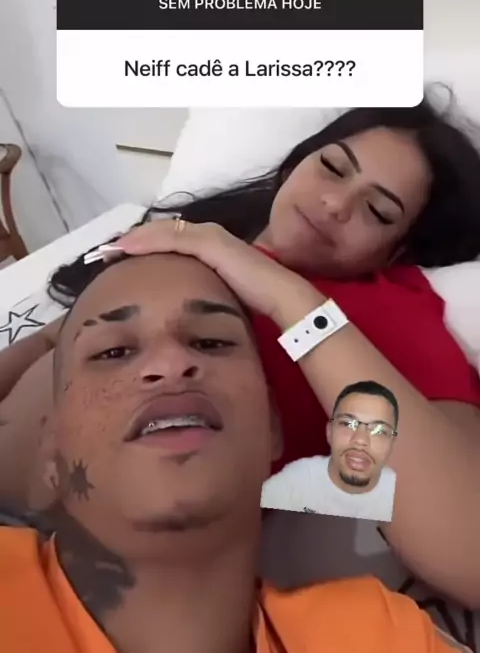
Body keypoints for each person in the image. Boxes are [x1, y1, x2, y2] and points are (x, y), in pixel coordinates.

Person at [1, 100, 480, 609]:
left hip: (66, 571)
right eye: (332, 167)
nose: (335, 203)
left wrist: (282, 293)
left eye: (377, 211)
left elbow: (468, 547)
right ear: (297, 161)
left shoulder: (386, 311)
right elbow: (53, 339)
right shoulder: (199, 232)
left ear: (397, 249)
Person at [0, 250, 469, 652]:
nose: (172, 363)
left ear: (272, 429)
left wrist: (292, 299)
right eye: (114, 352)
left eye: (212, 342)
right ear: (50, 451)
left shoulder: (375, 636)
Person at [261, 380, 398, 521]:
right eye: (348, 424)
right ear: (329, 432)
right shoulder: (296, 481)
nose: (360, 440)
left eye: (379, 430)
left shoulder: (401, 495)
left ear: (392, 443)